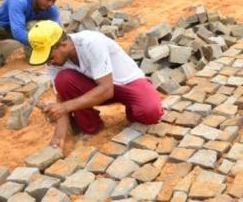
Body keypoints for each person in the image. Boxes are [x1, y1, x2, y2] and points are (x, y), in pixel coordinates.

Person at [28, 20, 163, 149]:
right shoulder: (55, 61)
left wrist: (64, 107)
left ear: (64, 45)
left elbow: (106, 90)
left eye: (50, 58)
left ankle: (140, 98)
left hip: (126, 84)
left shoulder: (91, 42)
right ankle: (92, 126)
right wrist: (58, 138)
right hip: (95, 90)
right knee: (63, 80)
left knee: (150, 113)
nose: (49, 63)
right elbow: (61, 100)